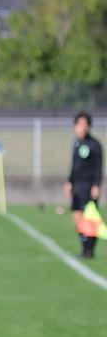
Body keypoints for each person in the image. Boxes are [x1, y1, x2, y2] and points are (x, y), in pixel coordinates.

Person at [65, 111, 103, 259]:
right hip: (77, 186)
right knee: (77, 217)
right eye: (79, 125)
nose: (82, 128)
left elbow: (99, 166)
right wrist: (69, 181)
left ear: (89, 126)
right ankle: (84, 247)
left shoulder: (95, 145)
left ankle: (89, 250)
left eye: (84, 124)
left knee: (90, 218)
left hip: (89, 186)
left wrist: (96, 185)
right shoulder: (76, 143)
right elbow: (74, 165)